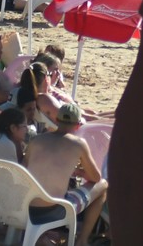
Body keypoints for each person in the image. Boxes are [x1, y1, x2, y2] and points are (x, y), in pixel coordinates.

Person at [25, 102, 109, 243]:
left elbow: (25, 168)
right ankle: (82, 239)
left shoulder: (36, 140)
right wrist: (81, 172)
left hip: (27, 207)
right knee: (103, 185)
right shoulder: (79, 144)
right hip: (55, 210)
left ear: (57, 120)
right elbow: (96, 177)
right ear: (77, 125)